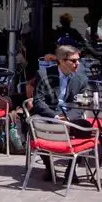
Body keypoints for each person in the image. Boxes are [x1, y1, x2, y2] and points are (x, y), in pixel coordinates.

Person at [33, 45, 89, 180]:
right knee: (34, 123)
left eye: (78, 60)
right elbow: (38, 102)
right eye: (73, 61)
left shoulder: (81, 78)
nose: (77, 64)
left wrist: (68, 118)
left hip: (69, 115)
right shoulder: (44, 74)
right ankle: (49, 167)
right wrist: (56, 117)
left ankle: (71, 170)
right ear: (62, 61)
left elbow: (80, 105)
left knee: (86, 127)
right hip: (50, 114)